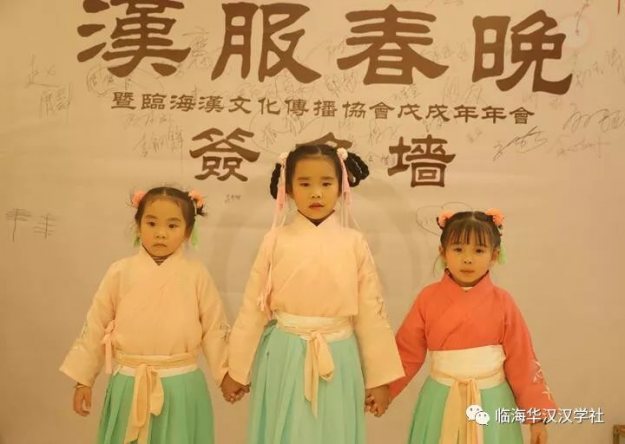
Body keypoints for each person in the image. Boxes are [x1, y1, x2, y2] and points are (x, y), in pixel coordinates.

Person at [223, 144, 404, 444]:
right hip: (284, 353)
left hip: (338, 354)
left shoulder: (354, 243)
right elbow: (253, 308)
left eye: (326, 183)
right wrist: (237, 370)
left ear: (342, 186)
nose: (316, 193)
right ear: (289, 188)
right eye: (305, 184)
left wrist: (379, 379)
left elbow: (371, 313)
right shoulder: (274, 240)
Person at [60, 186, 230, 444]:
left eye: (172, 225)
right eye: (151, 223)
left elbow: (214, 328)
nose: (161, 233)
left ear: (187, 232)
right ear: (138, 226)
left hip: (181, 385)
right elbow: (96, 325)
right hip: (130, 384)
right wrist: (84, 380)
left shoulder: (197, 275)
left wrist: (226, 374)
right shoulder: (119, 272)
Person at [390, 209, 555, 444]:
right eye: (458, 249)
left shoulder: (503, 302)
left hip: (492, 400)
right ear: (443, 252)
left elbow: (522, 359)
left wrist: (537, 418)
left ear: (494, 254)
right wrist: (383, 390)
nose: (468, 259)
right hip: (441, 398)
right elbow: (406, 352)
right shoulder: (428, 298)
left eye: (479, 250)